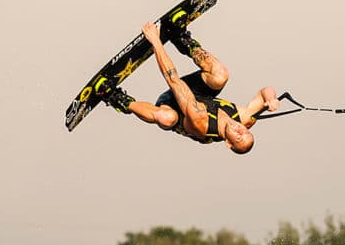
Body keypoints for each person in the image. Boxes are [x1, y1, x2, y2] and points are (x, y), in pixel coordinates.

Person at [98, 18, 279, 154]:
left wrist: (156, 41)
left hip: (175, 105)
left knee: (165, 117)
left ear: (228, 143)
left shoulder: (201, 122)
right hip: (200, 95)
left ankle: (117, 98)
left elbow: (173, 80)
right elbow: (265, 93)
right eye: (245, 133)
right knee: (221, 75)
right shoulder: (245, 119)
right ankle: (183, 40)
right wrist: (271, 100)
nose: (240, 131)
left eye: (239, 138)